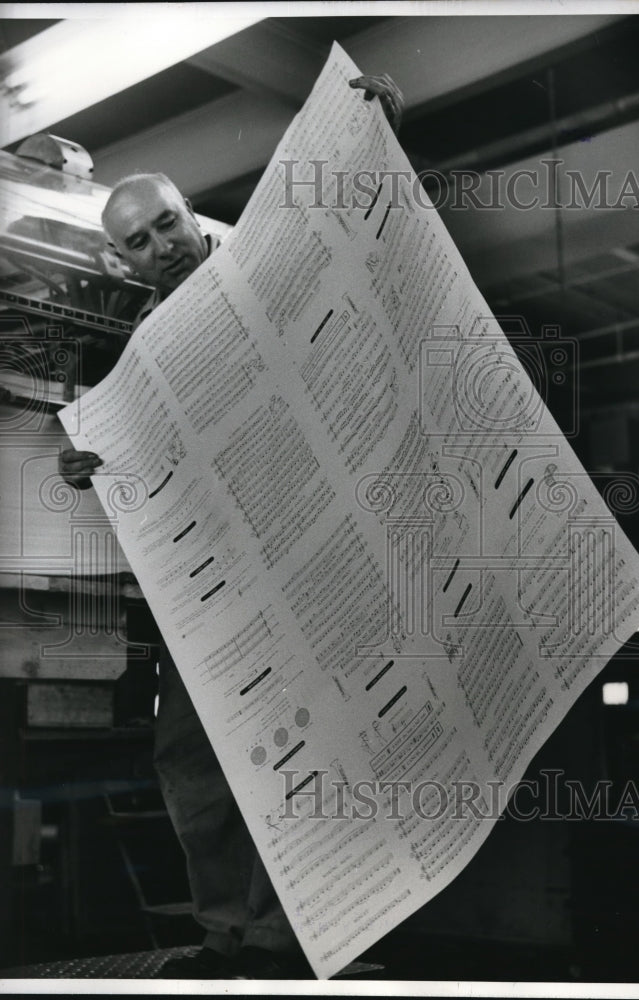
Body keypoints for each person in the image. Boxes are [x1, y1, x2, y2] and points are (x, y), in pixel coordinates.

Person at [58, 73, 404, 980]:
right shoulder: (138, 349)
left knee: (307, 751)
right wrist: (93, 465)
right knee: (193, 759)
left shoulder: (263, 267)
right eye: (138, 241)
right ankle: (224, 933)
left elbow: (349, 233)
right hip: (206, 590)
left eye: (167, 223)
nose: (162, 246)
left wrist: (373, 128)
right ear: (120, 263)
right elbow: (146, 473)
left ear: (190, 213)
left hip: (304, 562)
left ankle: (293, 935)